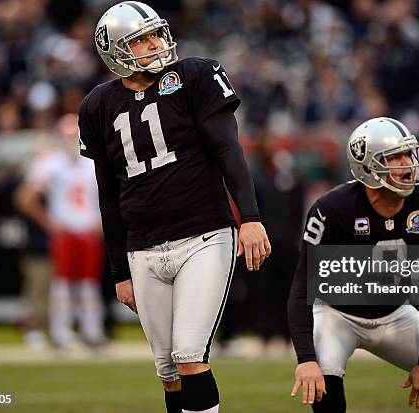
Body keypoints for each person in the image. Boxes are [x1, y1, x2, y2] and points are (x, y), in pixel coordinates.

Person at [79, 3, 270, 413]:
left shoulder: (195, 75)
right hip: (142, 248)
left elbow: (227, 149)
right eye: (140, 40)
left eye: (156, 34)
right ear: (115, 51)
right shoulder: (97, 105)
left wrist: (250, 218)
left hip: (203, 235)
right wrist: (119, 271)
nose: (155, 44)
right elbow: (108, 194)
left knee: (188, 355)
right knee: (168, 371)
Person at [288, 117, 419, 412]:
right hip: (337, 315)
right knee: (323, 381)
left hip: (396, 313)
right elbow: (302, 289)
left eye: (408, 154)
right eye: (394, 157)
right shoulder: (333, 210)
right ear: (366, 167)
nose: (407, 164)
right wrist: (305, 359)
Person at [16, 114, 106, 349]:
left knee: (88, 285)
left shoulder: (93, 161)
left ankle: (91, 331)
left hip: (89, 231)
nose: (71, 142)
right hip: (66, 233)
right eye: (67, 137)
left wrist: (101, 222)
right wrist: (49, 223)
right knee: (63, 285)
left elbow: (109, 197)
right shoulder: (50, 163)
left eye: (74, 137)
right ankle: (61, 332)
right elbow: (25, 198)